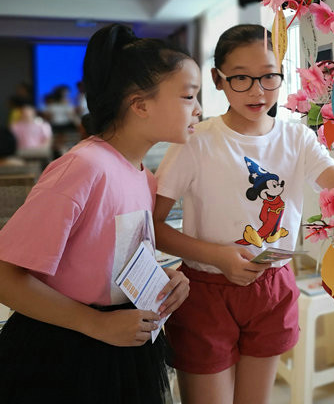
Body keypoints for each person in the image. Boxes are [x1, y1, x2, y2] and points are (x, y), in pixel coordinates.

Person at [0, 23, 201, 403]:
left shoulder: (143, 176)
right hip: (63, 352)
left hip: (120, 340)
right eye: (189, 96)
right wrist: (94, 322)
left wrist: (164, 278)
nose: (199, 109)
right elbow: (5, 275)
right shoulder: (84, 168)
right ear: (140, 105)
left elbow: (110, 259)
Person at [154, 24, 334, 404]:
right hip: (205, 290)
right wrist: (217, 256)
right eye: (241, 78)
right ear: (218, 79)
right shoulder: (196, 140)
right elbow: (152, 226)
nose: (258, 91)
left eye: (269, 76)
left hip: (272, 287)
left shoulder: (298, 138)